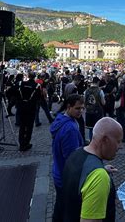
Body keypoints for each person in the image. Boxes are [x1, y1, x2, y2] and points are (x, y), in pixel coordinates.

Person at [61, 117, 125, 222]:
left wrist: (100, 169)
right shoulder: (99, 177)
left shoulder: (76, 153)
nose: (120, 146)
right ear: (104, 140)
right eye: (118, 141)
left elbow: (80, 178)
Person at [51, 94, 85, 222]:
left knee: (60, 206)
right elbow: (72, 160)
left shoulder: (60, 119)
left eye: (82, 108)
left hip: (58, 172)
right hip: (66, 179)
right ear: (68, 107)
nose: (81, 111)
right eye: (77, 108)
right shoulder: (70, 128)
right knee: (69, 212)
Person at [17, 71, 41, 151]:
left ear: (28, 76)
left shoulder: (21, 84)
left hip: (22, 107)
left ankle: (21, 143)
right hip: (31, 108)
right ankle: (26, 143)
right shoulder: (36, 85)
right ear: (34, 77)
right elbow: (38, 97)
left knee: (22, 126)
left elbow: (14, 92)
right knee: (29, 126)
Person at [84, 76, 105, 141]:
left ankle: (91, 142)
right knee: (97, 128)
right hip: (97, 112)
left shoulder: (86, 91)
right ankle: (97, 142)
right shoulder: (100, 91)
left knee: (90, 129)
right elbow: (103, 103)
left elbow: (84, 101)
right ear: (98, 82)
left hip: (89, 111)